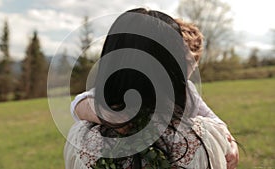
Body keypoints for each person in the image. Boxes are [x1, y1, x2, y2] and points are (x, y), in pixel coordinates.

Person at [65, 8, 235, 169]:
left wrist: (230, 141)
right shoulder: (114, 102)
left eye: (191, 62)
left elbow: (214, 119)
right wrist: (110, 116)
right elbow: (81, 102)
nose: (187, 68)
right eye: (182, 59)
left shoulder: (189, 92)